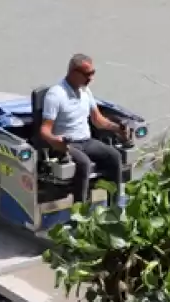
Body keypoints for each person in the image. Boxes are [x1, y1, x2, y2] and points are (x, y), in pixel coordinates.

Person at [39, 53, 130, 203]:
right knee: (84, 163)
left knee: (114, 156)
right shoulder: (56, 94)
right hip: (68, 144)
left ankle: (115, 206)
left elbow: (98, 120)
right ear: (74, 72)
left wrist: (117, 128)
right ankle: (80, 211)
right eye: (88, 74)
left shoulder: (85, 91)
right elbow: (44, 130)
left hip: (87, 141)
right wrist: (57, 141)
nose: (91, 78)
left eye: (93, 73)